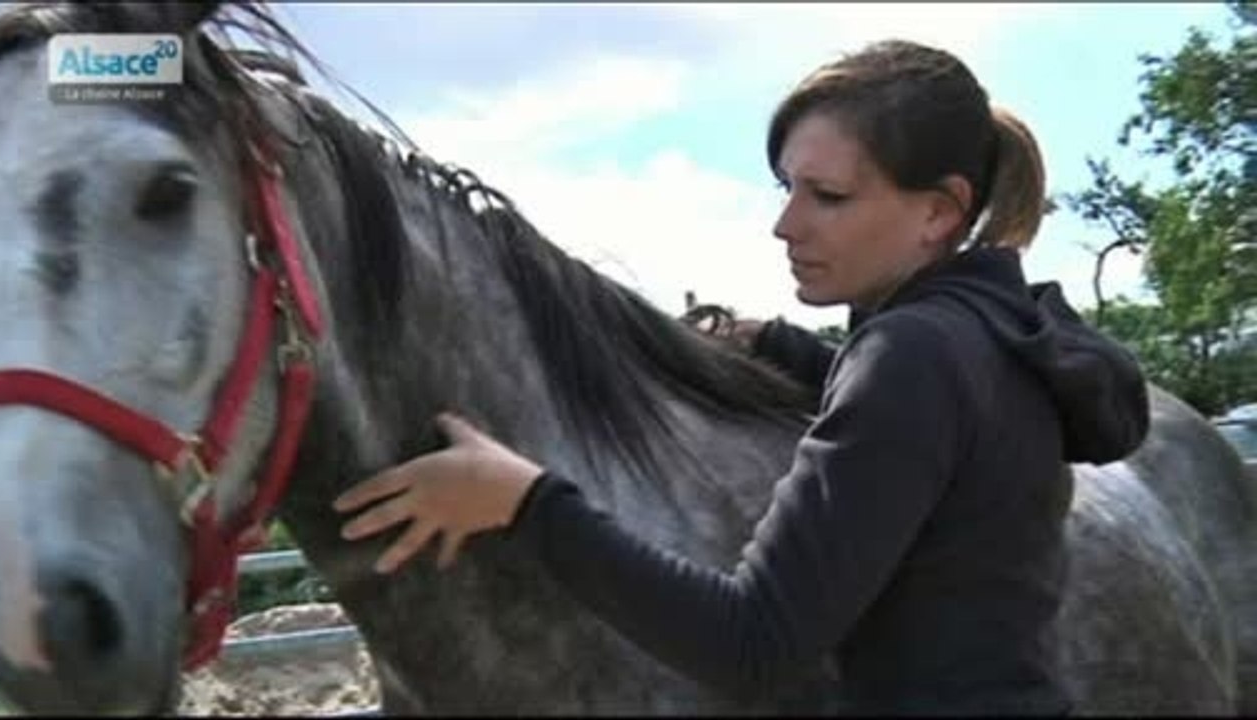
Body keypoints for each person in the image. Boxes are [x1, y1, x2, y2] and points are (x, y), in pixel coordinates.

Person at [332, 39, 1149, 715]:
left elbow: (751, 644)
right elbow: (935, 444)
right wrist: (789, 347)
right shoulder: (992, 334)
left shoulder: (912, 358)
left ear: (939, 210)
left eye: (826, 195)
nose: (784, 224)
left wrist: (527, 499)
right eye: (787, 186)